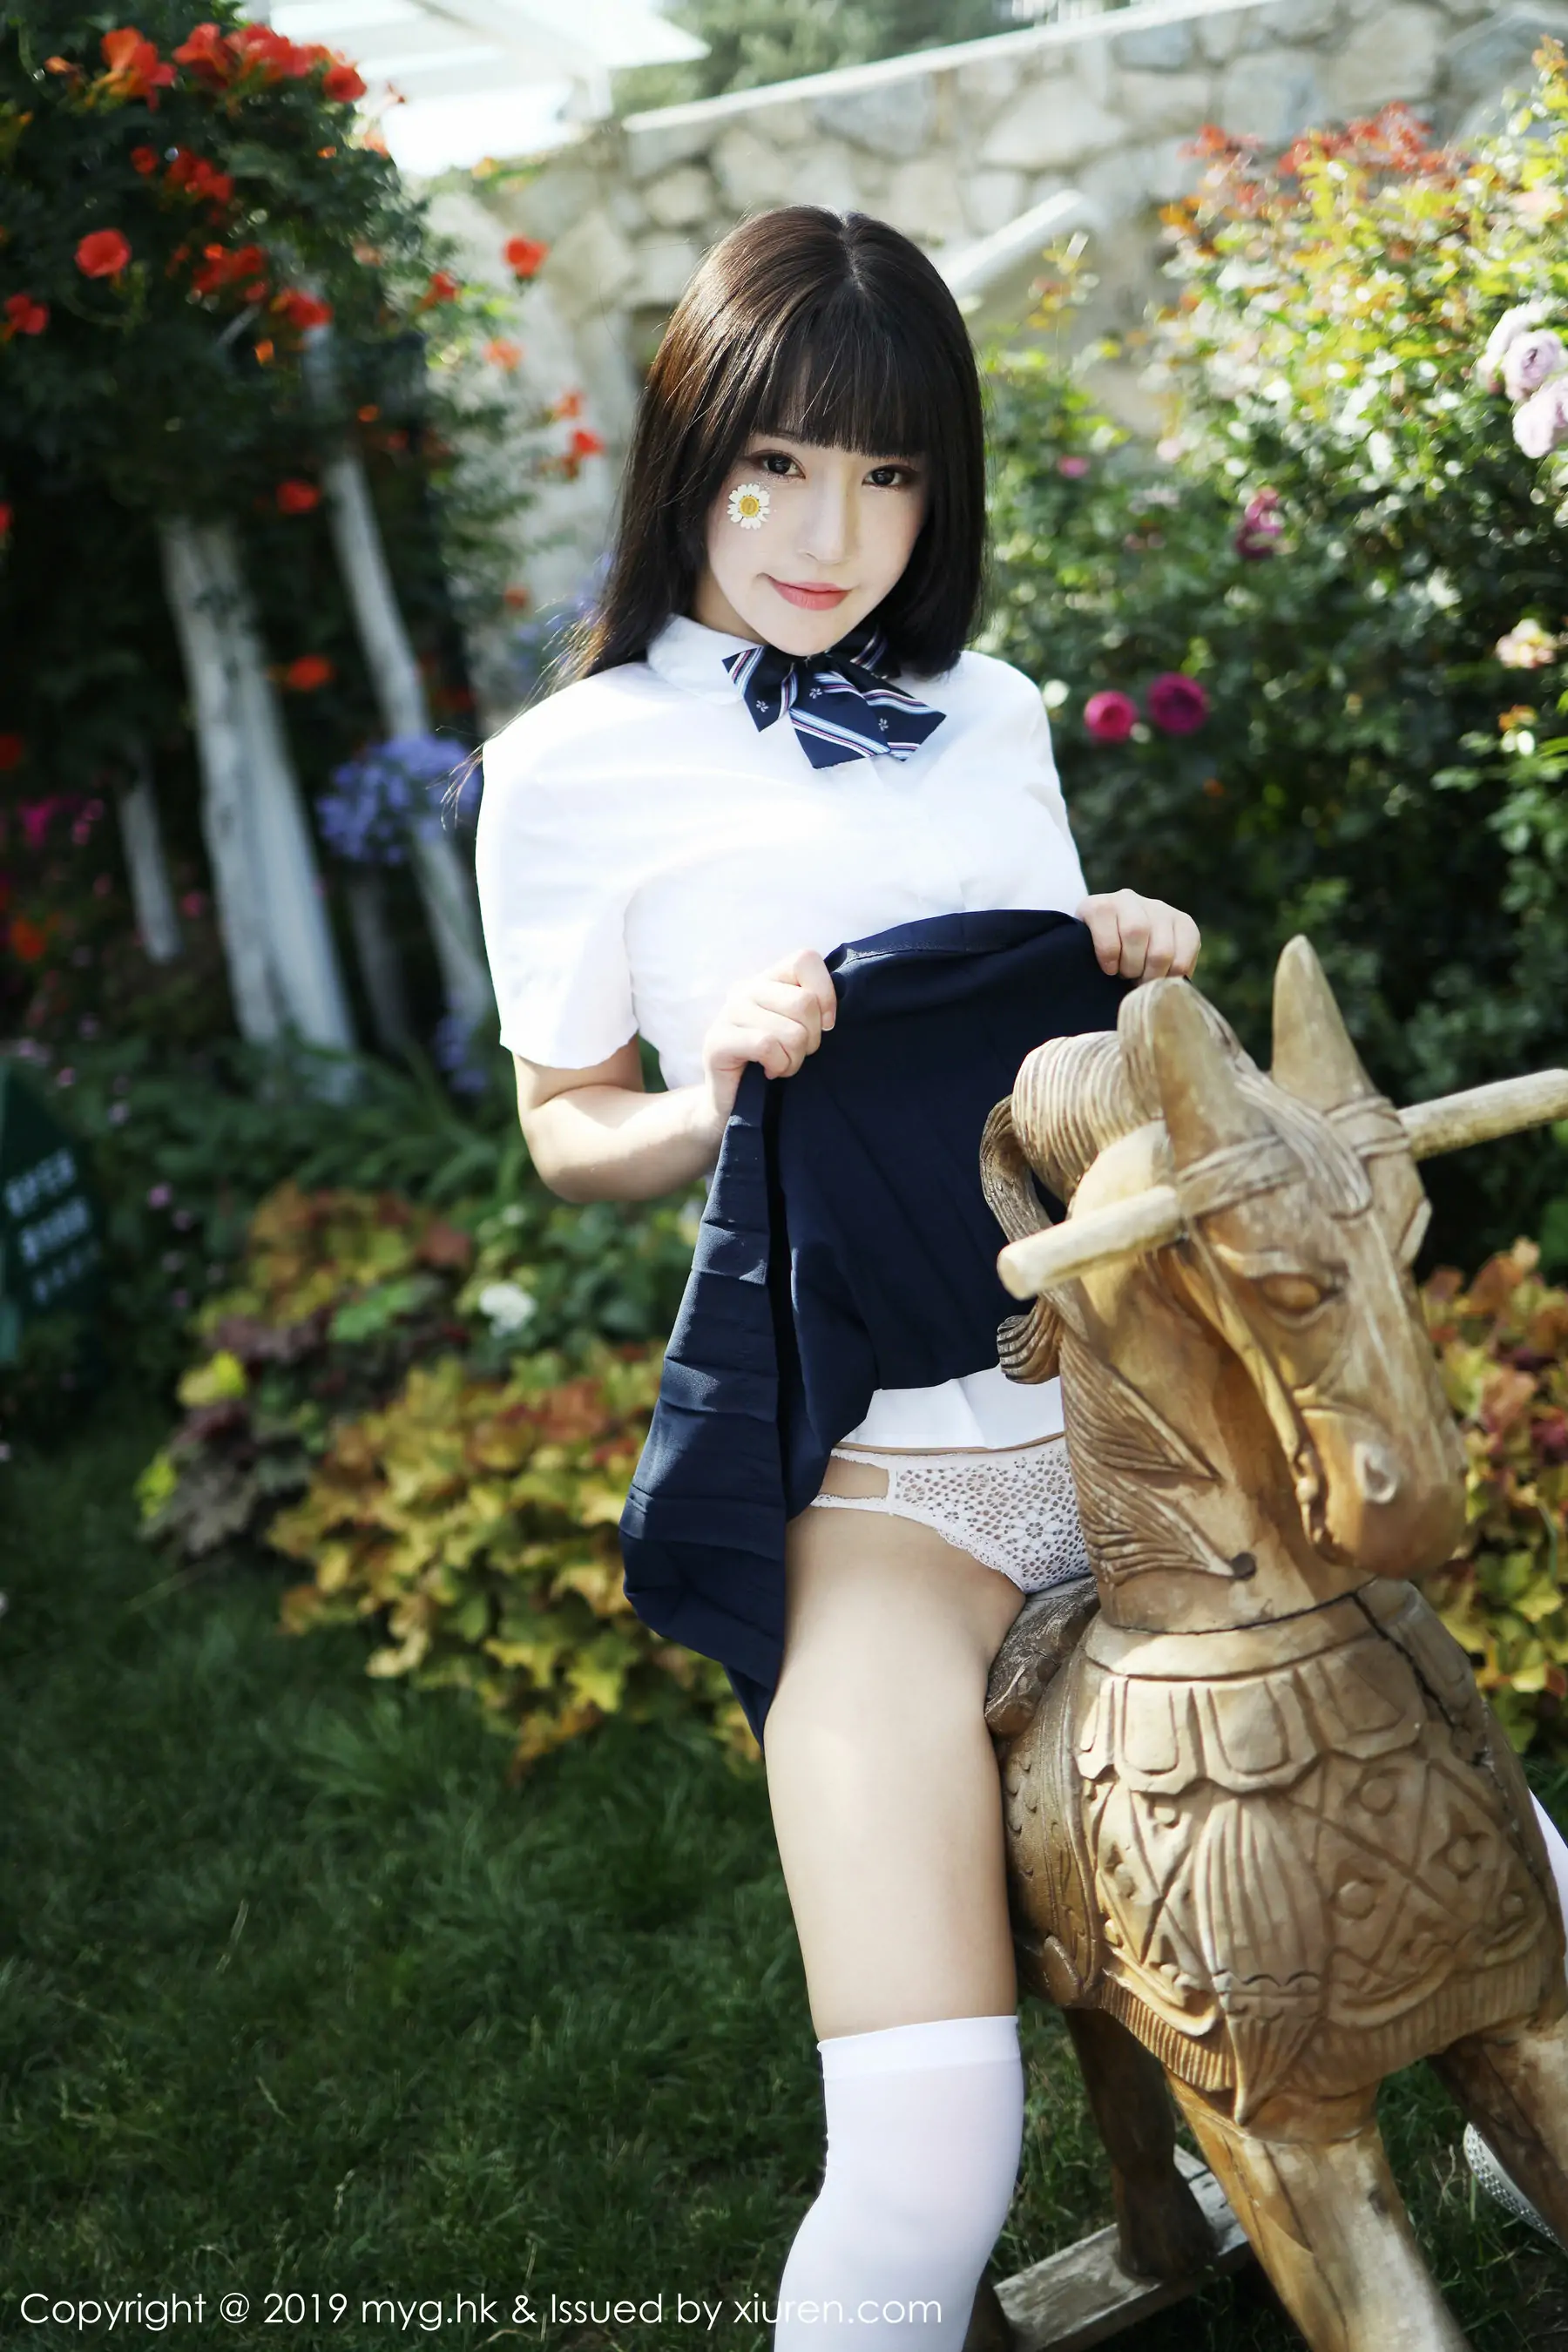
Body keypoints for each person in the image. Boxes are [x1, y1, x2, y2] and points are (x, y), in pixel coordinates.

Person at [472, 205, 1165, 2343]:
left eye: (888, 473)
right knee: (927, 2165)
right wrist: (712, 1087)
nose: (829, 531)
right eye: (775, 464)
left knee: (1509, 1901)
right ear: (689, 450)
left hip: (1137, 1415)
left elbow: (1055, 1089)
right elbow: (564, 1129)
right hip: (883, 1493)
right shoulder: (567, 767)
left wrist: (1130, 963)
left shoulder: (995, 713)